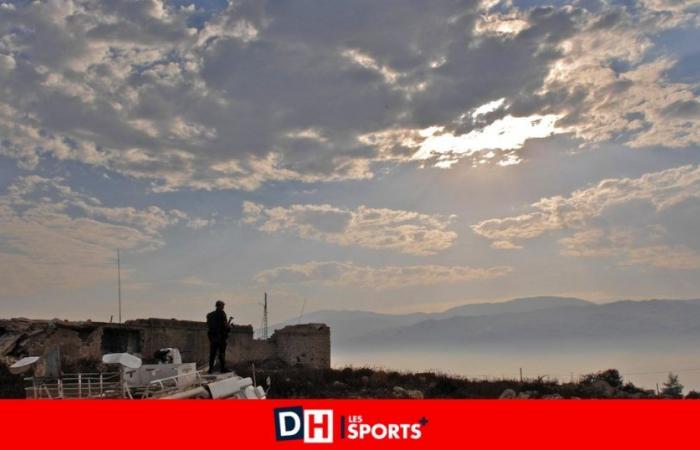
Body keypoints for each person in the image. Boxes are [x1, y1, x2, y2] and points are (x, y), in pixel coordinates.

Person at [206, 300, 232, 373]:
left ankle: (210, 369)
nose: (223, 307)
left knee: (212, 354)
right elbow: (224, 327)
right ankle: (223, 368)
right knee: (222, 353)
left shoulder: (210, 315)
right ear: (220, 306)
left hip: (213, 337)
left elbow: (209, 326)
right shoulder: (222, 314)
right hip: (221, 337)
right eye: (223, 306)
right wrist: (230, 327)